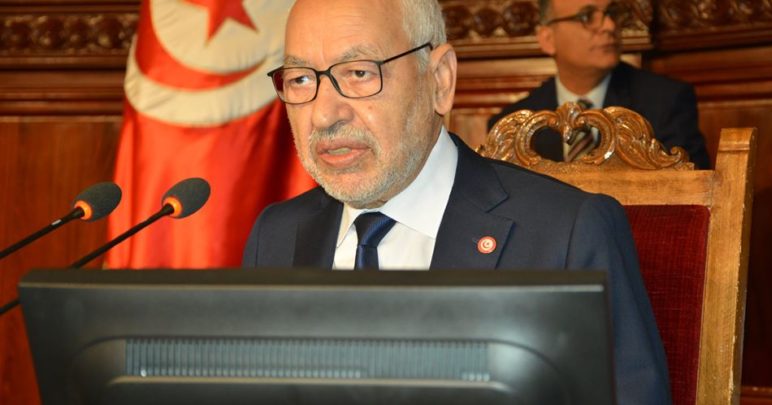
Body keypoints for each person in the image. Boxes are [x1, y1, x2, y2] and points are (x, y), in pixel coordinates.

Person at [243, 0, 671, 403]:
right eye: (300, 80)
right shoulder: (275, 236)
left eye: (359, 73)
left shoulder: (566, 234)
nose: (324, 114)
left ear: (440, 80)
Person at [488, 0, 711, 169]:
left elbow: (689, 197)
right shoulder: (513, 123)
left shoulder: (665, 102)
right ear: (548, 39)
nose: (609, 26)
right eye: (587, 17)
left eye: (611, 13)